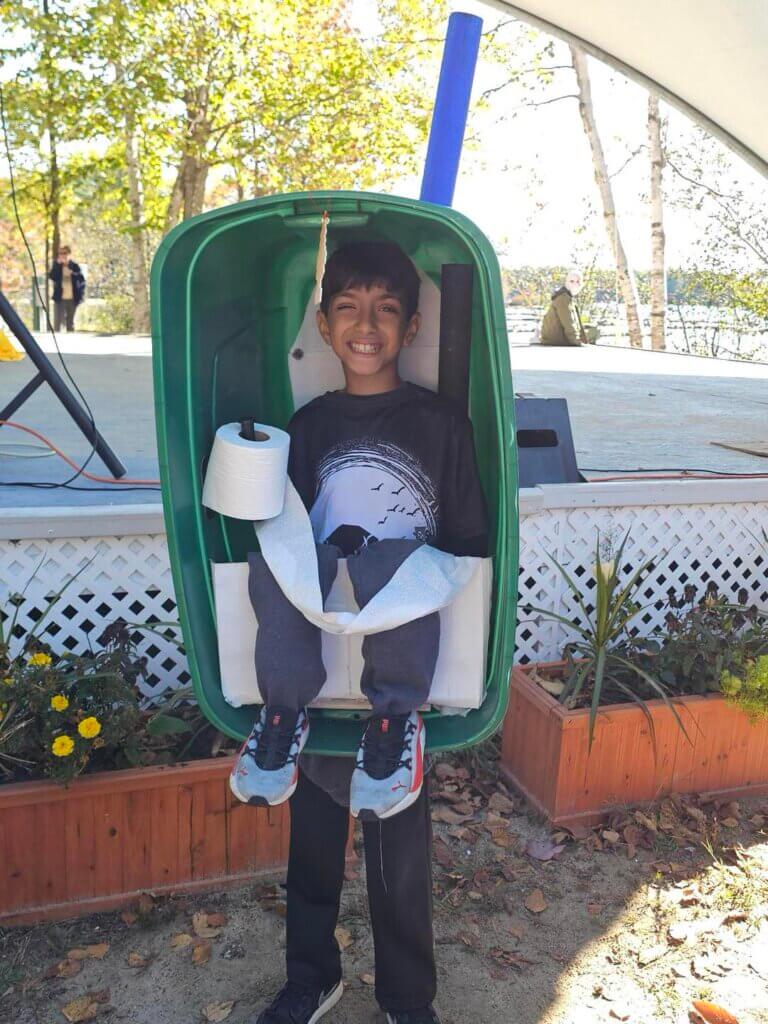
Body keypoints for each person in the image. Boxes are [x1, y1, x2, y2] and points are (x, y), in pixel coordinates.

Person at [229, 240, 488, 1024]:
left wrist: (402, 573)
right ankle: (310, 979)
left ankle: (408, 999)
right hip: (318, 654)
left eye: (385, 310)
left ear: (411, 327)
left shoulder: (441, 424)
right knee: (312, 833)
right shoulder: (306, 428)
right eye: (348, 308)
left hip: (398, 667)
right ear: (324, 324)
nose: (366, 326)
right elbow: (286, 541)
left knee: (396, 840)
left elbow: (466, 543)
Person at [540, 267, 591, 346]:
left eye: (578, 281)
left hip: (558, 341)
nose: (575, 284)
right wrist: (576, 342)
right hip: (556, 342)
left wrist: (582, 340)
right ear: (566, 283)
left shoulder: (569, 298)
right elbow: (568, 323)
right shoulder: (563, 299)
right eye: (571, 281)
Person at [48, 245, 85, 332]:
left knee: (70, 322)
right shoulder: (57, 266)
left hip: (72, 298)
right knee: (58, 321)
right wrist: (57, 265)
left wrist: (72, 273)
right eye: (60, 253)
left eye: (64, 253)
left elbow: (81, 279)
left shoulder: (74, 266)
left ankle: (70, 338)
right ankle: (57, 337)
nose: (62, 255)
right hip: (59, 298)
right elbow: (52, 277)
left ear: (69, 254)